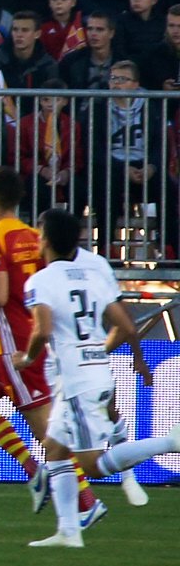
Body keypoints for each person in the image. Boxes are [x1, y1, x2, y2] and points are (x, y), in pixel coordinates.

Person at [0, 165, 97, 523]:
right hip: (26, 337)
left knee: (46, 431)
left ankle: (87, 501)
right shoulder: (33, 236)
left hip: (15, 345)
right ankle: (34, 471)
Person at [23, 206, 174, 547]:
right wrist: (113, 354)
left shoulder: (40, 281)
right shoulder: (91, 275)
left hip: (76, 381)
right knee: (55, 448)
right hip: (97, 371)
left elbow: (42, 330)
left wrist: (27, 358)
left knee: (92, 465)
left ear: (45, 240)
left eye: (39, 233)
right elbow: (125, 325)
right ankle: (69, 531)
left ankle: (170, 442)